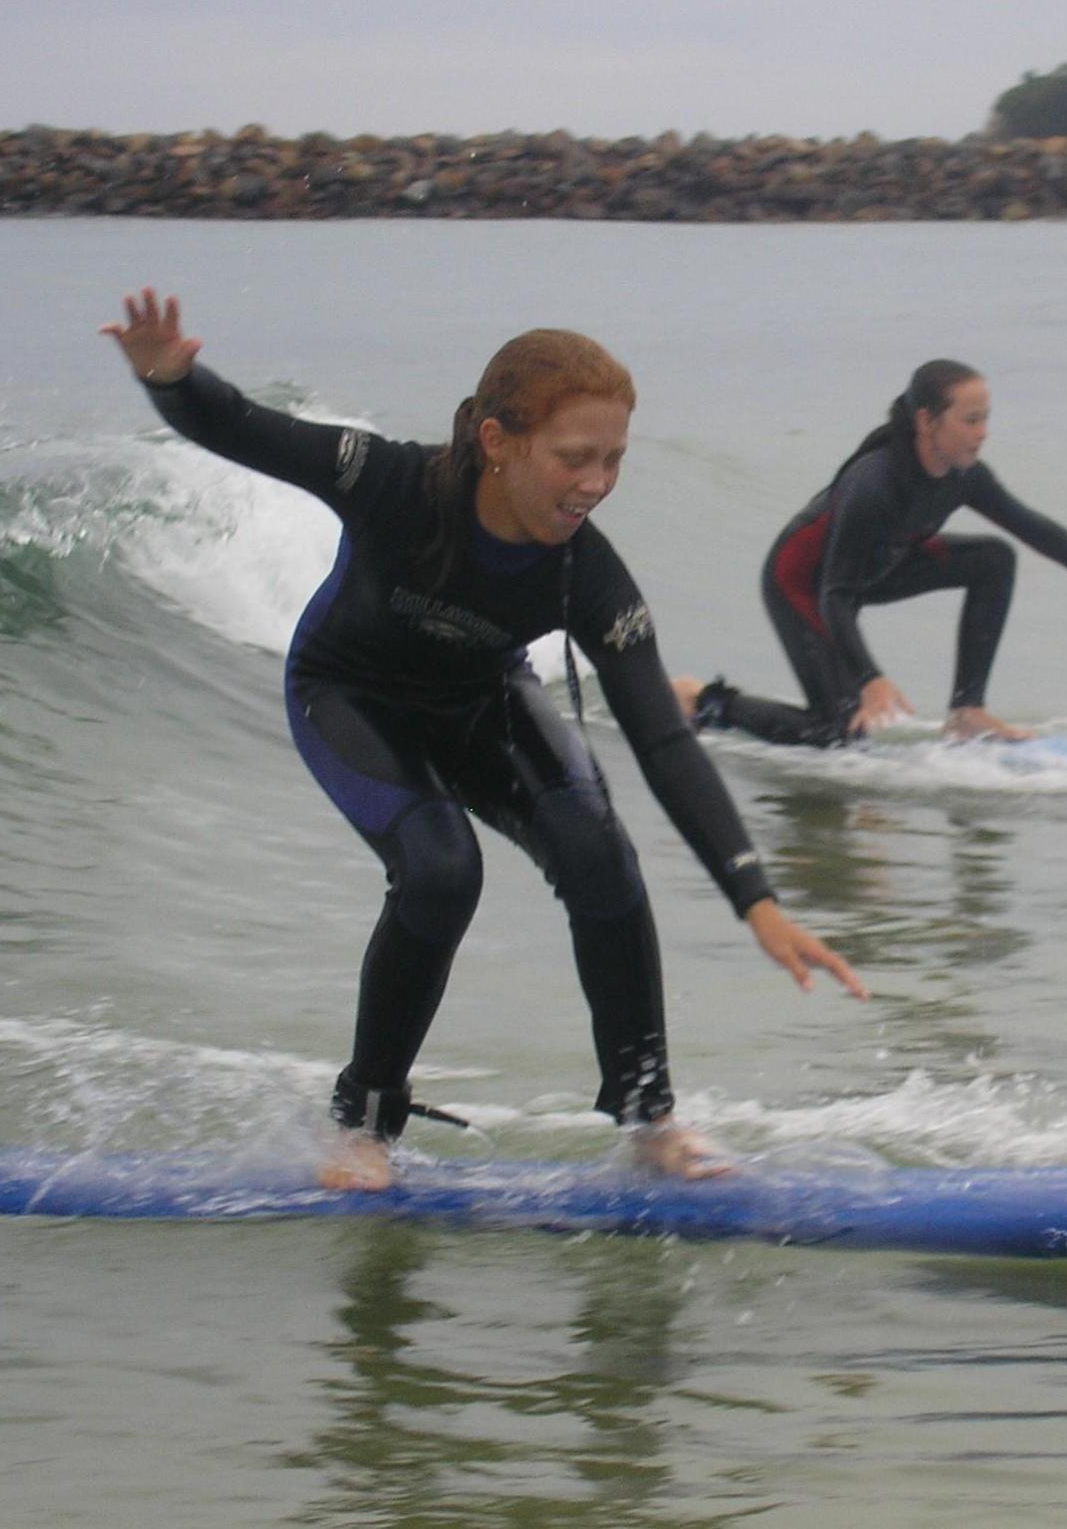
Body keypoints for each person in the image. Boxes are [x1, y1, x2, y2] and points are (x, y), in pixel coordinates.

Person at [102, 289, 865, 1190]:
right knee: (438, 868)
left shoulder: (591, 573)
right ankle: (364, 1125)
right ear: (500, 443)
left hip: (482, 700)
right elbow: (246, 429)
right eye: (574, 458)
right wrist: (171, 379)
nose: (595, 483)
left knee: (599, 856)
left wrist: (757, 901)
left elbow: (663, 738)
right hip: (351, 697)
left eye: (614, 459)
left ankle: (649, 1120)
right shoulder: (389, 482)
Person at [673, 359, 1067, 747]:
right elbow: (836, 594)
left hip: (882, 565)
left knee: (993, 558)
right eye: (971, 420)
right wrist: (870, 678)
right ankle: (706, 702)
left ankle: (967, 712)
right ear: (927, 421)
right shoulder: (873, 485)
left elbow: (1035, 530)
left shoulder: (963, 477)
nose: (983, 432)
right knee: (836, 735)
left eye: (986, 419)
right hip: (804, 582)